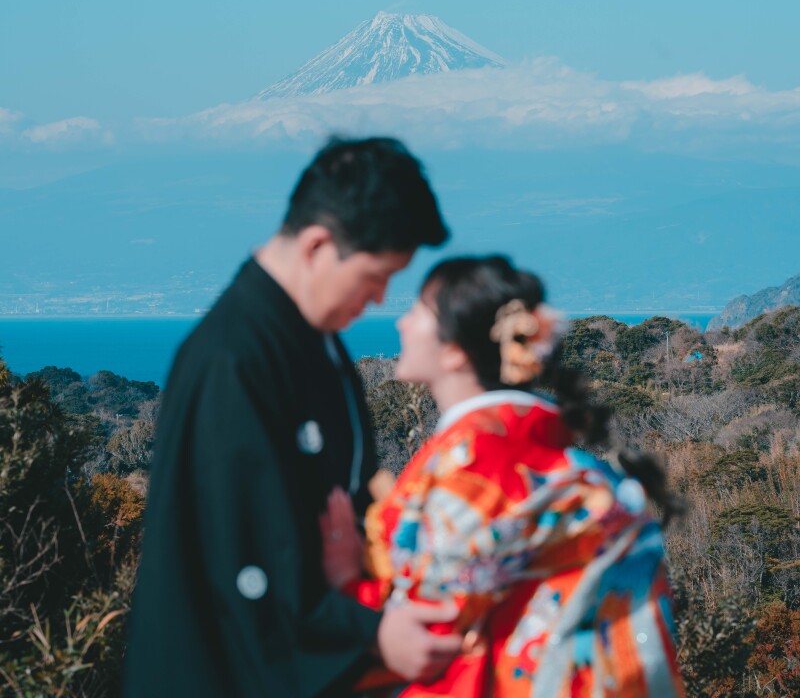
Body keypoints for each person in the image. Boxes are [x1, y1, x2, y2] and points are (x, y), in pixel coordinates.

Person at [124, 136, 460, 698]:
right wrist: (374, 634)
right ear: (317, 246)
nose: (379, 298)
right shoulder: (232, 360)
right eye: (375, 276)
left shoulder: (310, 341)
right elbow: (244, 570)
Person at [321, 256, 685, 697]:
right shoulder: (564, 461)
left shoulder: (474, 467)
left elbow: (428, 632)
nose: (401, 323)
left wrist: (347, 580)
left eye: (417, 311)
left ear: (454, 350)